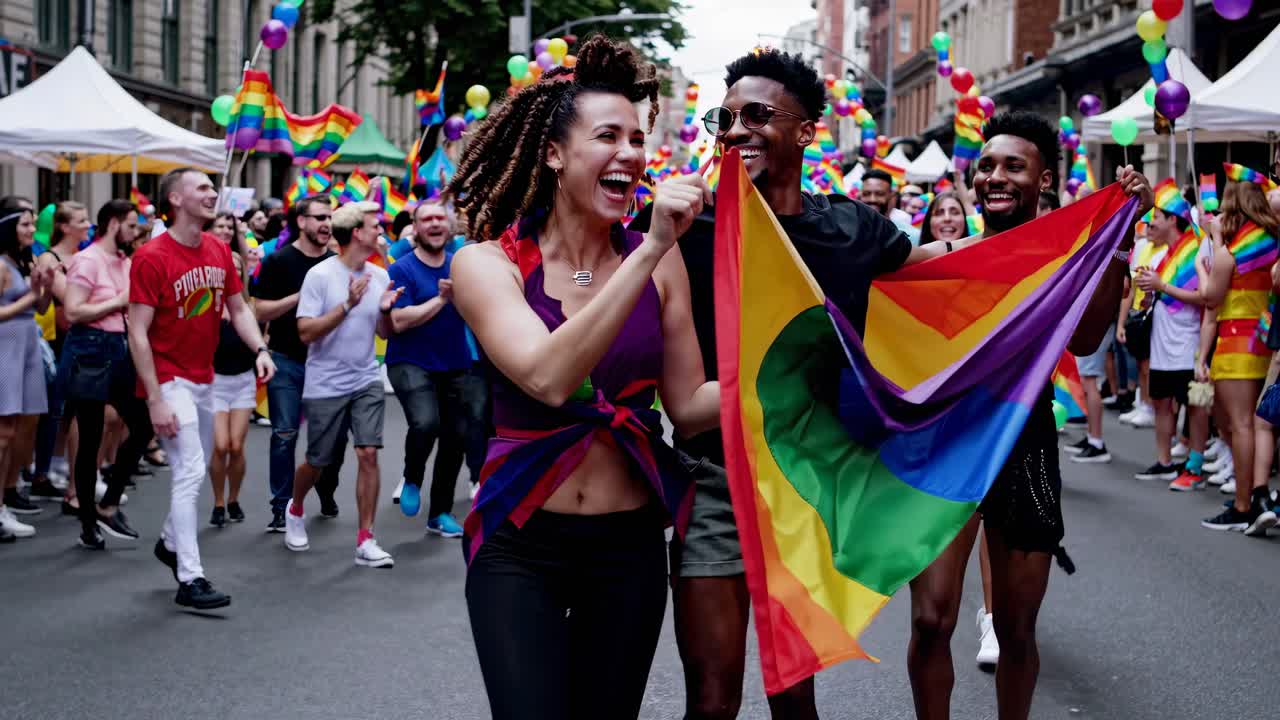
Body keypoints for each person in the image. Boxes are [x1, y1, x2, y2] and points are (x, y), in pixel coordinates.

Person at [447, 35, 719, 719]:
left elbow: (689, 406)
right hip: (519, 543)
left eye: (638, 138)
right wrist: (651, 247)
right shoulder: (486, 263)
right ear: (553, 153)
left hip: (627, 546)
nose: (631, 152)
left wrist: (797, 373)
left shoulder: (661, 262)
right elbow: (546, 376)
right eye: (608, 136)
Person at [904, 111, 1149, 720]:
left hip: (1025, 444)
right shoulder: (938, 256)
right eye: (987, 165)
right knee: (931, 620)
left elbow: (1087, 339)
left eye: (1013, 166)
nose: (995, 176)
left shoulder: (1066, 261)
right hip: (947, 444)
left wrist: (1118, 239)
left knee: (1015, 628)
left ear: (1043, 181)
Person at [129, 167, 275, 610]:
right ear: (175, 199)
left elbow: (239, 308)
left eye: (214, 187)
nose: (213, 194)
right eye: (203, 188)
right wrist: (155, 398)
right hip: (169, 379)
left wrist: (259, 349)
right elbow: (137, 332)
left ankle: (169, 542)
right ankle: (190, 578)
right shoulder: (151, 257)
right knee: (191, 470)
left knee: (200, 461)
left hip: (205, 378)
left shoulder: (217, 250)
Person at [283, 200, 400, 567]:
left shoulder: (379, 275)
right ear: (356, 233)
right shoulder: (319, 276)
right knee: (318, 461)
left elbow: (385, 332)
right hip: (326, 383)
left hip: (366, 378)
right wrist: (347, 304)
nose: (380, 230)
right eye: (374, 225)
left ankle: (366, 539)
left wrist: (386, 312)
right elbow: (305, 333)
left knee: (368, 453)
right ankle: (295, 507)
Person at [386, 201, 486, 537]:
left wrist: (459, 298)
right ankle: (412, 477)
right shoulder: (402, 269)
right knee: (426, 422)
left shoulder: (461, 265)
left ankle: (439, 512)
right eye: (426, 219)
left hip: (455, 362)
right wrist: (441, 299)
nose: (434, 224)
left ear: (450, 226)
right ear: (415, 228)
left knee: (456, 437)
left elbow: (477, 313)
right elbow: (398, 321)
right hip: (410, 361)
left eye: (440, 218)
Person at [60, 199, 152, 548]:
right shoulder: (88, 260)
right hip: (89, 350)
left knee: (143, 426)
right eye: (131, 225)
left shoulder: (125, 261)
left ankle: (108, 505)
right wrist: (118, 302)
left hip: (118, 349)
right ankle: (88, 523)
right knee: (90, 440)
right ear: (113, 224)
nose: (135, 232)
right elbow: (73, 312)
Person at [253, 195, 344, 532]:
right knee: (284, 434)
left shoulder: (337, 263)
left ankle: (325, 488)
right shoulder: (278, 261)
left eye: (329, 218)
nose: (326, 224)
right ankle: (282, 507)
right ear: (301, 221)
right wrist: (300, 295)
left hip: (327, 364)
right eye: (319, 217)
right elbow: (260, 310)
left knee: (333, 440)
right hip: (287, 360)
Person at [1197, 180, 1280, 531]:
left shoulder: (1232, 251)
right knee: (1252, 425)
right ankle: (1251, 495)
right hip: (1264, 341)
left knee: (1240, 425)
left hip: (1235, 344)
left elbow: (1210, 297)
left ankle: (1244, 505)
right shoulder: (1272, 242)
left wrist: (1211, 249)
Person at [1131, 202, 1209, 487]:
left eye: (1157, 217)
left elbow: (1204, 297)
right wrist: (1149, 293)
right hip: (1161, 344)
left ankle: (1195, 466)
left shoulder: (1196, 252)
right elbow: (1158, 299)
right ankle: (1164, 462)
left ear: (1173, 220)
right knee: (1161, 403)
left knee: (1195, 406)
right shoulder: (1162, 256)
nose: (1151, 223)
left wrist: (1162, 287)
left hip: (1188, 342)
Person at [0, 199, 53, 541]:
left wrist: (43, 286)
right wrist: (32, 294)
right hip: (7, 345)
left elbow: (42, 306)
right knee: (5, 430)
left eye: (33, 223)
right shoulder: (1, 264)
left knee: (20, 426)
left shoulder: (24, 260)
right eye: (25, 224)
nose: (33, 230)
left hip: (27, 343)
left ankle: (8, 494)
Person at [209, 212, 255, 527]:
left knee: (236, 446)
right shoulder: (208, 304)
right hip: (214, 381)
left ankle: (234, 497)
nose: (233, 273)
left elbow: (261, 338)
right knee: (220, 445)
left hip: (242, 380)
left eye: (238, 270)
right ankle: (218, 501)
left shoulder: (248, 305)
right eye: (230, 270)